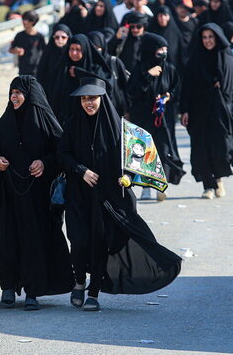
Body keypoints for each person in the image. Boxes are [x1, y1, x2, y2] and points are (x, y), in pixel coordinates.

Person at [58, 77, 182, 311]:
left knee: (98, 243)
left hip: (107, 197)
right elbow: (62, 154)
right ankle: (79, 281)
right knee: (78, 240)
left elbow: (136, 161)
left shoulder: (122, 130)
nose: (88, 103)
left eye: (93, 98)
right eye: (84, 98)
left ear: (103, 99)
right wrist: (80, 170)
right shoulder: (73, 124)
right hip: (78, 195)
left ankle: (93, 292)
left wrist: (128, 177)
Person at [0, 76, 74, 311]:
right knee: (6, 238)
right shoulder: (6, 121)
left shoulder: (44, 121)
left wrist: (44, 163)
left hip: (36, 197)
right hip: (8, 193)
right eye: (11, 92)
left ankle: (32, 292)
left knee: (33, 242)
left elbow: (62, 152)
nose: (14, 97)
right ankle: (7, 286)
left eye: (19, 92)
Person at [180, 24, 233, 199]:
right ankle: (208, 185)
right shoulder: (196, 57)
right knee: (201, 148)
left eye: (211, 37)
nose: (208, 41)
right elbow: (188, 85)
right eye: (205, 37)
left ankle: (219, 179)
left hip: (221, 111)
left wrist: (218, 88)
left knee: (220, 147)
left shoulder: (227, 56)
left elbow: (232, 85)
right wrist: (184, 110)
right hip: (199, 110)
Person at [127, 33, 185, 201]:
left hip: (163, 120)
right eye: (160, 49)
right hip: (143, 118)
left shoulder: (169, 68)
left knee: (163, 150)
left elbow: (175, 89)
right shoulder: (139, 68)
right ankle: (145, 187)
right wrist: (148, 76)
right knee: (144, 153)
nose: (163, 53)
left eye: (165, 49)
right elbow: (132, 92)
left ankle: (160, 185)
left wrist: (168, 97)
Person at [36, 24, 72, 94]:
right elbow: (41, 73)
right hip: (50, 91)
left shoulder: (72, 53)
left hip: (68, 92)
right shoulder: (48, 52)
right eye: (57, 37)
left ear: (68, 38)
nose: (60, 40)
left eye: (63, 37)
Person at [9, 10, 46, 76]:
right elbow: (11, 50)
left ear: (33, 22)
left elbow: (45, 53)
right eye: (23, 19)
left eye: (28, 20)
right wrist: (17, 50)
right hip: (23, 70)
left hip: (37, 70)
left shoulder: (40, 37)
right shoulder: (19, 35)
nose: (24, 22)